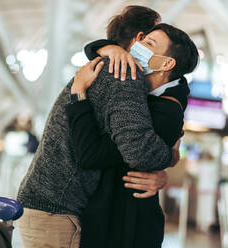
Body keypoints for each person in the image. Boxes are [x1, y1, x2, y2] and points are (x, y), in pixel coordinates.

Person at [17, 6, 178, 247]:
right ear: (138, 39)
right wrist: (171, 156)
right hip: (57, 211)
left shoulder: (99, 66)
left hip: (46, 205)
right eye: (150, 40)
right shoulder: (123, 74)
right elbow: (137, 150)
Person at [69, 23, 198, 247]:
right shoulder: (147, 92)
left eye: (148, 44)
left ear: (167, 63)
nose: (137, 46)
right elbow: (102, 47)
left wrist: (78, 96)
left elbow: (93, 154)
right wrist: (108, 49)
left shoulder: (166, 111)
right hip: (111, 219)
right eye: (141, 40)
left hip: (125, 228)